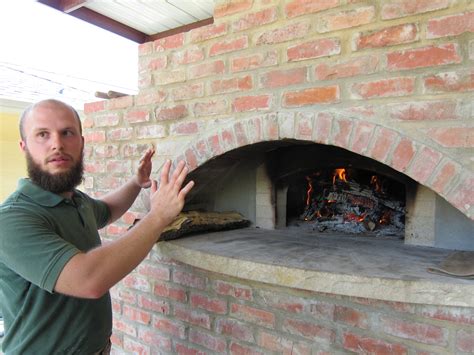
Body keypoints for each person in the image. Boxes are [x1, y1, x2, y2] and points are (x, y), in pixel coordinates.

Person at [0, 99, 194, 354]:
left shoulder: (75, 200)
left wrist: (137, 182)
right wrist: (158, 216)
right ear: (24, 147)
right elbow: (89, 280)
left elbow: (108, 209)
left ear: (81, 142)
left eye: (67, 133)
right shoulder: (12, 219)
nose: (57, 143)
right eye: (43, 134)